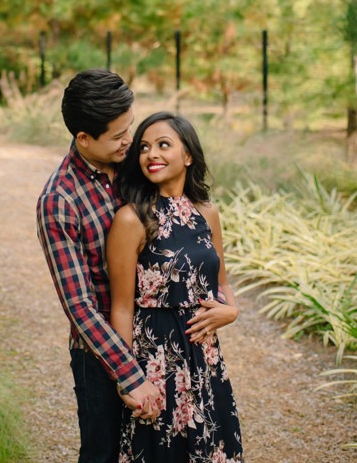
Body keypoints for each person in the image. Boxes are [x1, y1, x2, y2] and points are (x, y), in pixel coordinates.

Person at [37, 69, 163, 463]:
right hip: (101, 354)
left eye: (131, 127)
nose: (131, 140)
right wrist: (128, 374)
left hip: (160, 337)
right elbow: (80, 308)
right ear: (84, 138)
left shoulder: (133, 164)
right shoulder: (59, 201)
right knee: (103, 453)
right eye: (118, 135)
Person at [108, 111, 243, 462]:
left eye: (163, 145)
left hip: (206, 358)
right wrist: (129, 379)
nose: (151, 154)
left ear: (187, 156)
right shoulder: (131, 218)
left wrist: (232, 311)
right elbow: (122, 307)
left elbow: (222, 281)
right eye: (144, 147)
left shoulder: (207, 212)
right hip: (156, 359)